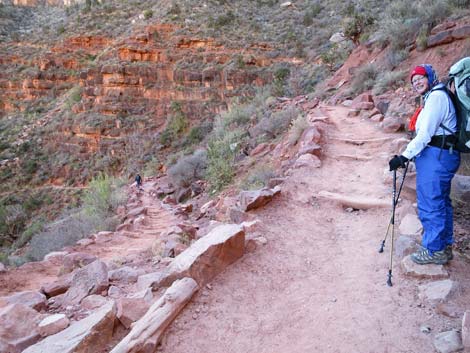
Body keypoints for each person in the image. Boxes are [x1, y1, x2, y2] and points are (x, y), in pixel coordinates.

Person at [389, 64, 460, 265]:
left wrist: (403, 157)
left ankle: (434, 250)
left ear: (430, 77)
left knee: (431, 204)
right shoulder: (434, 95)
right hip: (441, 155)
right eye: (413, 81)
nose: (417, 82)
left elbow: (425, 134)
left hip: (437, 157)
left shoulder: (436, 97)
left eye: (420, 78)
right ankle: (444, 246)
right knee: (441, 202)